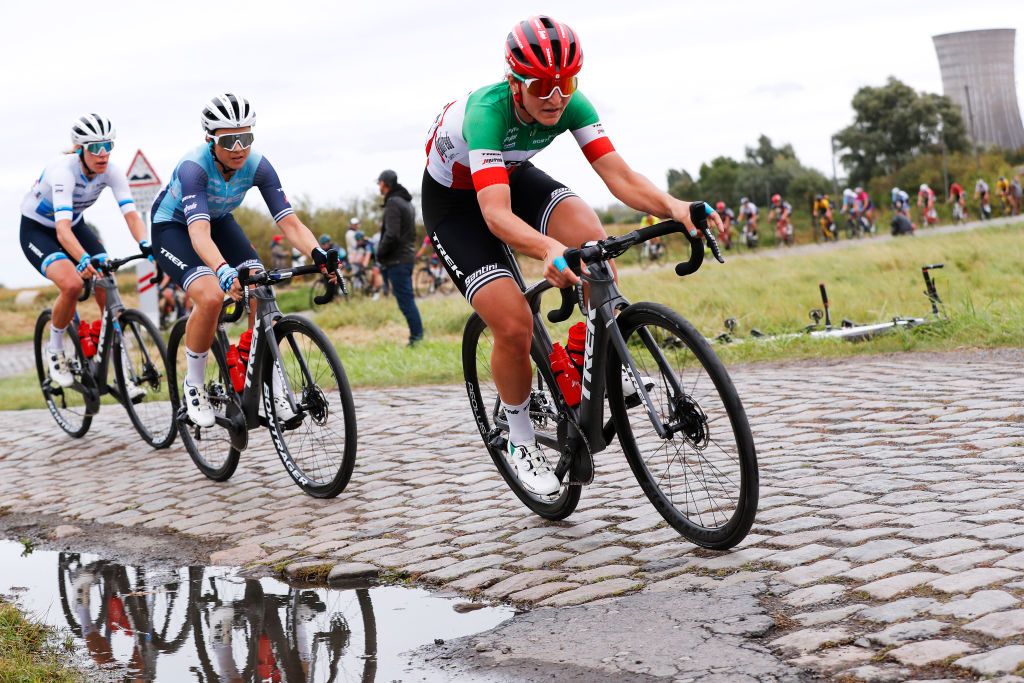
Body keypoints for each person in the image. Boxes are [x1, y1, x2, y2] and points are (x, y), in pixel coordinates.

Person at [420, 15, 721, 495]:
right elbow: (494, 215)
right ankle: (520, 440)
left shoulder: (571, 103)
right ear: (514, 81)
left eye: (566, 82)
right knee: (514, 323)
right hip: (455, 206)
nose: (555, 96)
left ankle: (599, 355)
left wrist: (675, 206)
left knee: (590, 237)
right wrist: (547, 249)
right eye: (541, 85)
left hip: (511, 177)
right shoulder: (486, 112)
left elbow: (619, 177)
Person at [150, 93, 337, 428]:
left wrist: (317, 254)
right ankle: (194, 384)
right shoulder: (194, 169)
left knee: (260, 282)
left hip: (219, 221)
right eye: (228, 140)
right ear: (211, 140)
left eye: (245, 138)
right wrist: (221, 272)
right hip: (175, 228)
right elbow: (199, 237)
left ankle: (264, 371)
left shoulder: (258, 165)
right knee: (209, 296)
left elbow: (290, 223)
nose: (238, 148)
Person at [19, 114, 151, 388]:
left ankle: (118, 361)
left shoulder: (112, 171)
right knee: (72, 284)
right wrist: (82, 260)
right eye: (94, 148)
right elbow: (61, 232)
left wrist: (146, 244)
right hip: (38, 230)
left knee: (106, 279)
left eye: (108, 145)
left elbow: (131, 215)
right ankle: (55, 349)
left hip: (76, 226)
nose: (102, 154)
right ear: (80, 149)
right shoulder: (63, 172)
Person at [376, 169, 424, 345]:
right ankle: (417, 336)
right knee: (407, 300)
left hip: (397, 260)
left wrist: (379, 253)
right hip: (406, 257)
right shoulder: (406, 202)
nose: (378, 187)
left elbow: (392, 234)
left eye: (379, 183)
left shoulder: (393, 203)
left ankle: (416, 338)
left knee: (406, 302)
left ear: (385, 183)